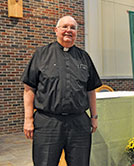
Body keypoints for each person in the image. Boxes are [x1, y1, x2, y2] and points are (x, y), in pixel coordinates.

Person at [21, 15, 102, 166]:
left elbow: (91, 90)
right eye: (64, 26)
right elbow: (29, 88)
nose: (68, 30)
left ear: (77, 32)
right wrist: (28, 119)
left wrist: (94, 116)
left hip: (78, 123)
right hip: (48, 123)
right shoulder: (41, 55)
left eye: (73, 28)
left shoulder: (84, 58)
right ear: (56, 30)